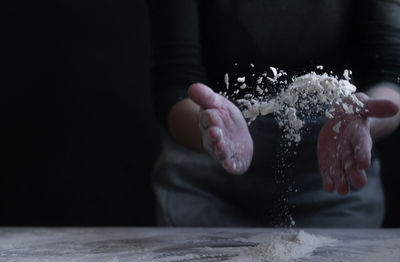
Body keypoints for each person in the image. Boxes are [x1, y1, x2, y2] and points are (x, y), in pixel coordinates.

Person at [147, 0, 400, 227]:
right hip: (206, 187)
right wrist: (209, 129)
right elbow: (175, 83)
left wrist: (364, 119)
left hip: (332, 182)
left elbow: (389, 74)